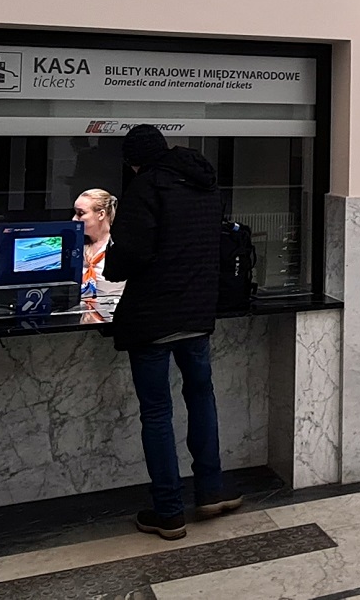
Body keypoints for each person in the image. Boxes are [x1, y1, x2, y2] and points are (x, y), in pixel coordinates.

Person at [104, 125, 238, 538]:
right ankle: (211, 491)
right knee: (201, 397)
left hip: (153, 316)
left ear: (134, 161)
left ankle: (168, 512)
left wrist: (109, 266)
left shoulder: (146, 187)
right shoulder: (204, 183)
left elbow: (132, 252)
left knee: (157, 411)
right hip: (196, 312)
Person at [72, 188, 124, 321]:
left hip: (113, 317)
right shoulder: (75, 246)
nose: (74, 219)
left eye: (80, 213)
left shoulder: (120, 245)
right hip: (79, 316)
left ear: (101, 214)